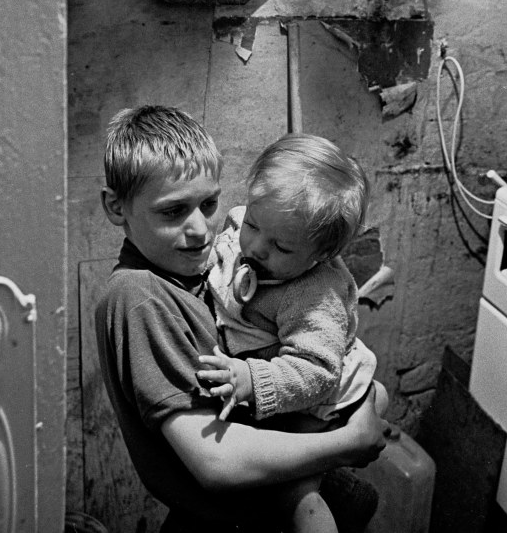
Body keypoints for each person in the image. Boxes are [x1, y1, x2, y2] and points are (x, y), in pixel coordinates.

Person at [95, 105, 388, 533]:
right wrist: (347, 443)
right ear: (117, 208)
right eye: (173, 211)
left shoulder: (195, 271)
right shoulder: (139, 295)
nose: (202, 229)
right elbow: (215, 462)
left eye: (209, 203)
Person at [198, 134, 388, 533]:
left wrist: (252, 379)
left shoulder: (313, 295)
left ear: (318, 255)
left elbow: (317, 370)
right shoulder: (247, 229)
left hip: (318, 402)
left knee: (295, 497)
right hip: (293, 389)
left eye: (281, 247)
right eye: (252, 223)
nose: (256, 247)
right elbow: (226, 257)